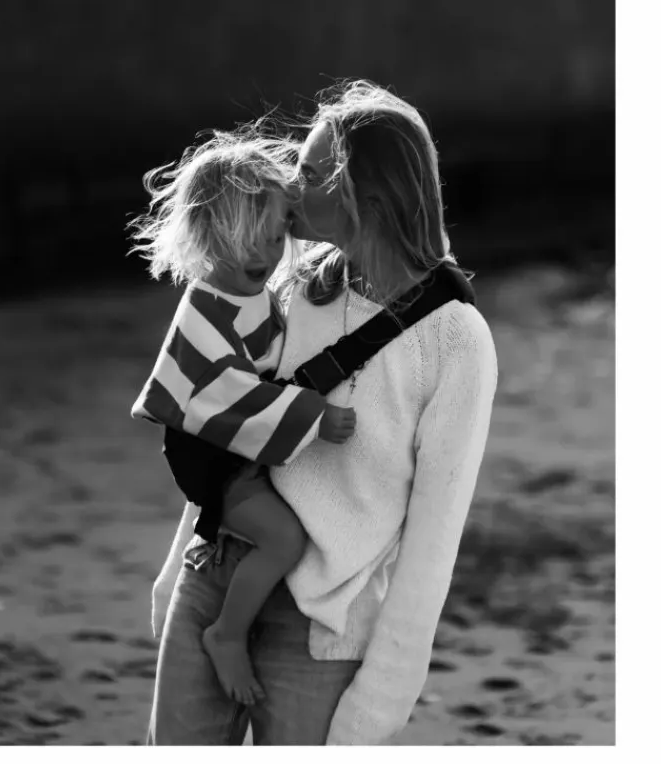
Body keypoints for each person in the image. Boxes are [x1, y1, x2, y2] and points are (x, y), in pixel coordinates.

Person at [146, 80, 499, 745]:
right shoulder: (288, 286)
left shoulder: (456, 341)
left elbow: (433, 544)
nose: (288, 184)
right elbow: (228, 426)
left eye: (308, 174)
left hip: (320, 629)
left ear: (365, 199)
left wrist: (381, 699)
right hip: (213, 581)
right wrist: (175, 577)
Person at [128, 129, 358, 706]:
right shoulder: (204, 306)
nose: (262, 256)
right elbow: (226, 394)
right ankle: (226, 634)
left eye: (274, 237)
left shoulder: (253, 290)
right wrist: (312, 416)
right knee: (284, 538)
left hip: (231, 433)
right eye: (244, 243)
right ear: (207, 238)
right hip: (205, 448)